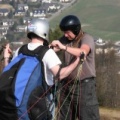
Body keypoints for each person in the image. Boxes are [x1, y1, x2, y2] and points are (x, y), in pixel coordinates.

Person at [3, 18, 80, 120]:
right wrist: (77, 61)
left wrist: (6, 58)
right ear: (44, 32)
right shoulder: (47, 52)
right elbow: (60, 74)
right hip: (37, 109)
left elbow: (8, 74)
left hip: (13, 109)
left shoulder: (20, 50)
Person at [50, 15, 100, 120]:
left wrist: (63, 47)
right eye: (64, 32)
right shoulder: (65, 39)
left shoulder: (86, 38)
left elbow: (83, 52)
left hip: (84, 86)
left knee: (87, 116)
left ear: (76, 30)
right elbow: (54, 48)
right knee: (63, 116)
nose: (65, 35)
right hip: (67, 85)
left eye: (68, 32)